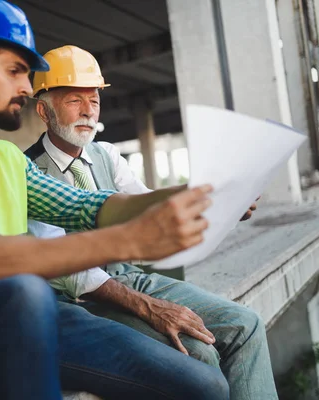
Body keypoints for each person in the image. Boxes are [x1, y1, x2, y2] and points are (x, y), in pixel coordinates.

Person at [0, 1, 230, 399]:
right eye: (15, 71)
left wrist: (191, 195)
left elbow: (89, 206)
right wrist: (130, 239)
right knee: (26, 291)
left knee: (204, 386)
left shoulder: (8, 159)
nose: (28, 88)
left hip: (22, 316)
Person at [25, 45, 278, 400]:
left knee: (246, 325)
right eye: (73, 101)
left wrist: (220, 207)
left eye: (94, 101)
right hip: (81, 300)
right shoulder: (28, 171)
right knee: (198, 353)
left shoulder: (106, 154)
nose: (87, 112)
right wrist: (148, 306)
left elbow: (146, 208)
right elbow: (74, 275)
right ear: (43, 110)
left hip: (128, 276)